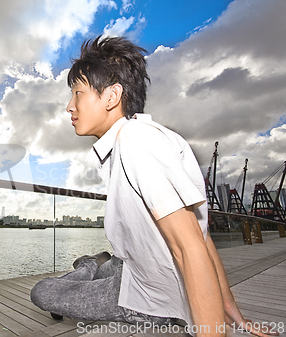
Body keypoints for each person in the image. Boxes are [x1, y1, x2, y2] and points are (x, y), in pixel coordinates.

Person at [30, 36, 277, 337]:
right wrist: (233, 313)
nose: (70, 106)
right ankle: (95, 264)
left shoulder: (136, 140)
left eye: (78, 93)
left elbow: (190, 246)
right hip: (131, 267)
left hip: (142, 298)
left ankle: (88, 266)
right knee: (113, 265)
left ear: (111, 97)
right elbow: (202, 235)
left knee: (42, 292)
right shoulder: (140, 139)